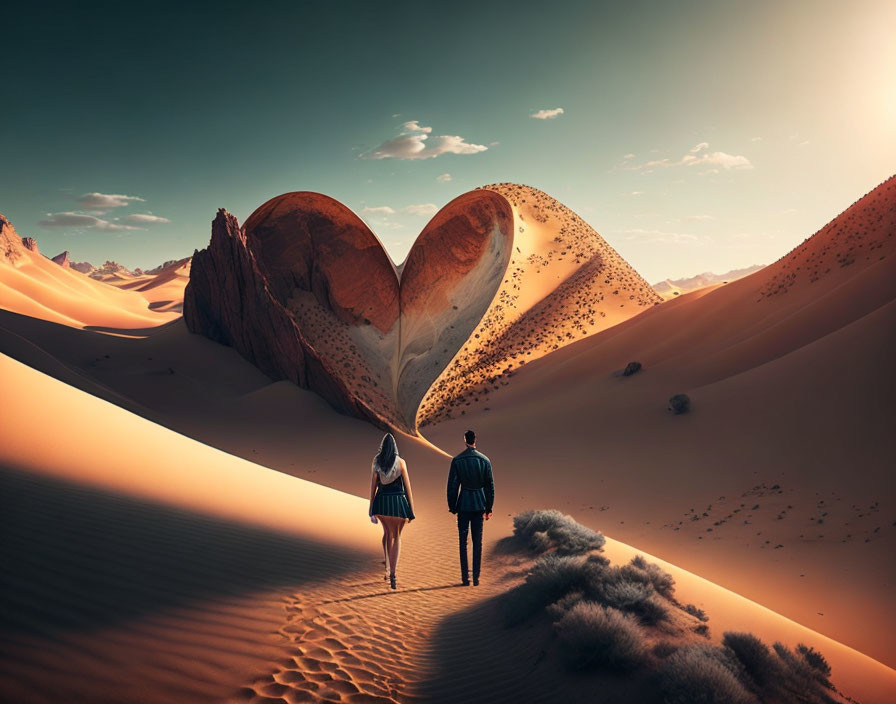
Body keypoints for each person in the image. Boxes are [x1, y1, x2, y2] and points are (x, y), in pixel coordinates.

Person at [446, 429, 494, 586]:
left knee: (462, 541)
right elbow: (490, 487)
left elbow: (452, 486)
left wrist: (452, 506)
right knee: (477, 542)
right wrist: (489, 508)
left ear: (464, 440)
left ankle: (465, 578)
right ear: (475, 440)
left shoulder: (457, 460)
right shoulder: (485, 461)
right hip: (479, 504)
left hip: (463, 505)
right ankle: (476, 578)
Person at [368, 433, 416, 590]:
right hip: (398, 504)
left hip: (382, 503)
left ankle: (388, 567)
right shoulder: (401, 463)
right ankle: (393, 575)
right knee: (396, 536)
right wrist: (411, 510)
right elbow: (408, 488)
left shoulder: (377, 461)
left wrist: (371, 508)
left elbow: (373, 486)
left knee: (387, 534)